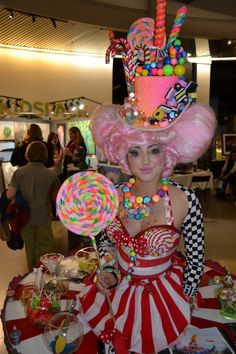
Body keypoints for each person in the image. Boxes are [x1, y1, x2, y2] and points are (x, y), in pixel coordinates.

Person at [77, 3, 217, 353]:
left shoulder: (185, 200)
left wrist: (183, 299)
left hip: (165, 299)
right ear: (123, 153)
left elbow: (195, 258)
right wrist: (107, 269)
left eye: (153, 150)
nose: (144, 161)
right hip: (118, 296)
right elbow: (106, 245)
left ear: (168, 151)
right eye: (135, 151)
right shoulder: (111, 195)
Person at [6, 141, 61, 271]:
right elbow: (56, 199)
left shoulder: (19, 173)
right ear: (45, 155)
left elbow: (10, 194)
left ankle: (32, 273)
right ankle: (44, 273)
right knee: (45, 248)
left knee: (30, 246)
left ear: (27, 154)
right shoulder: (52, 175)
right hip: (43, 218)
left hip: (25, 218)